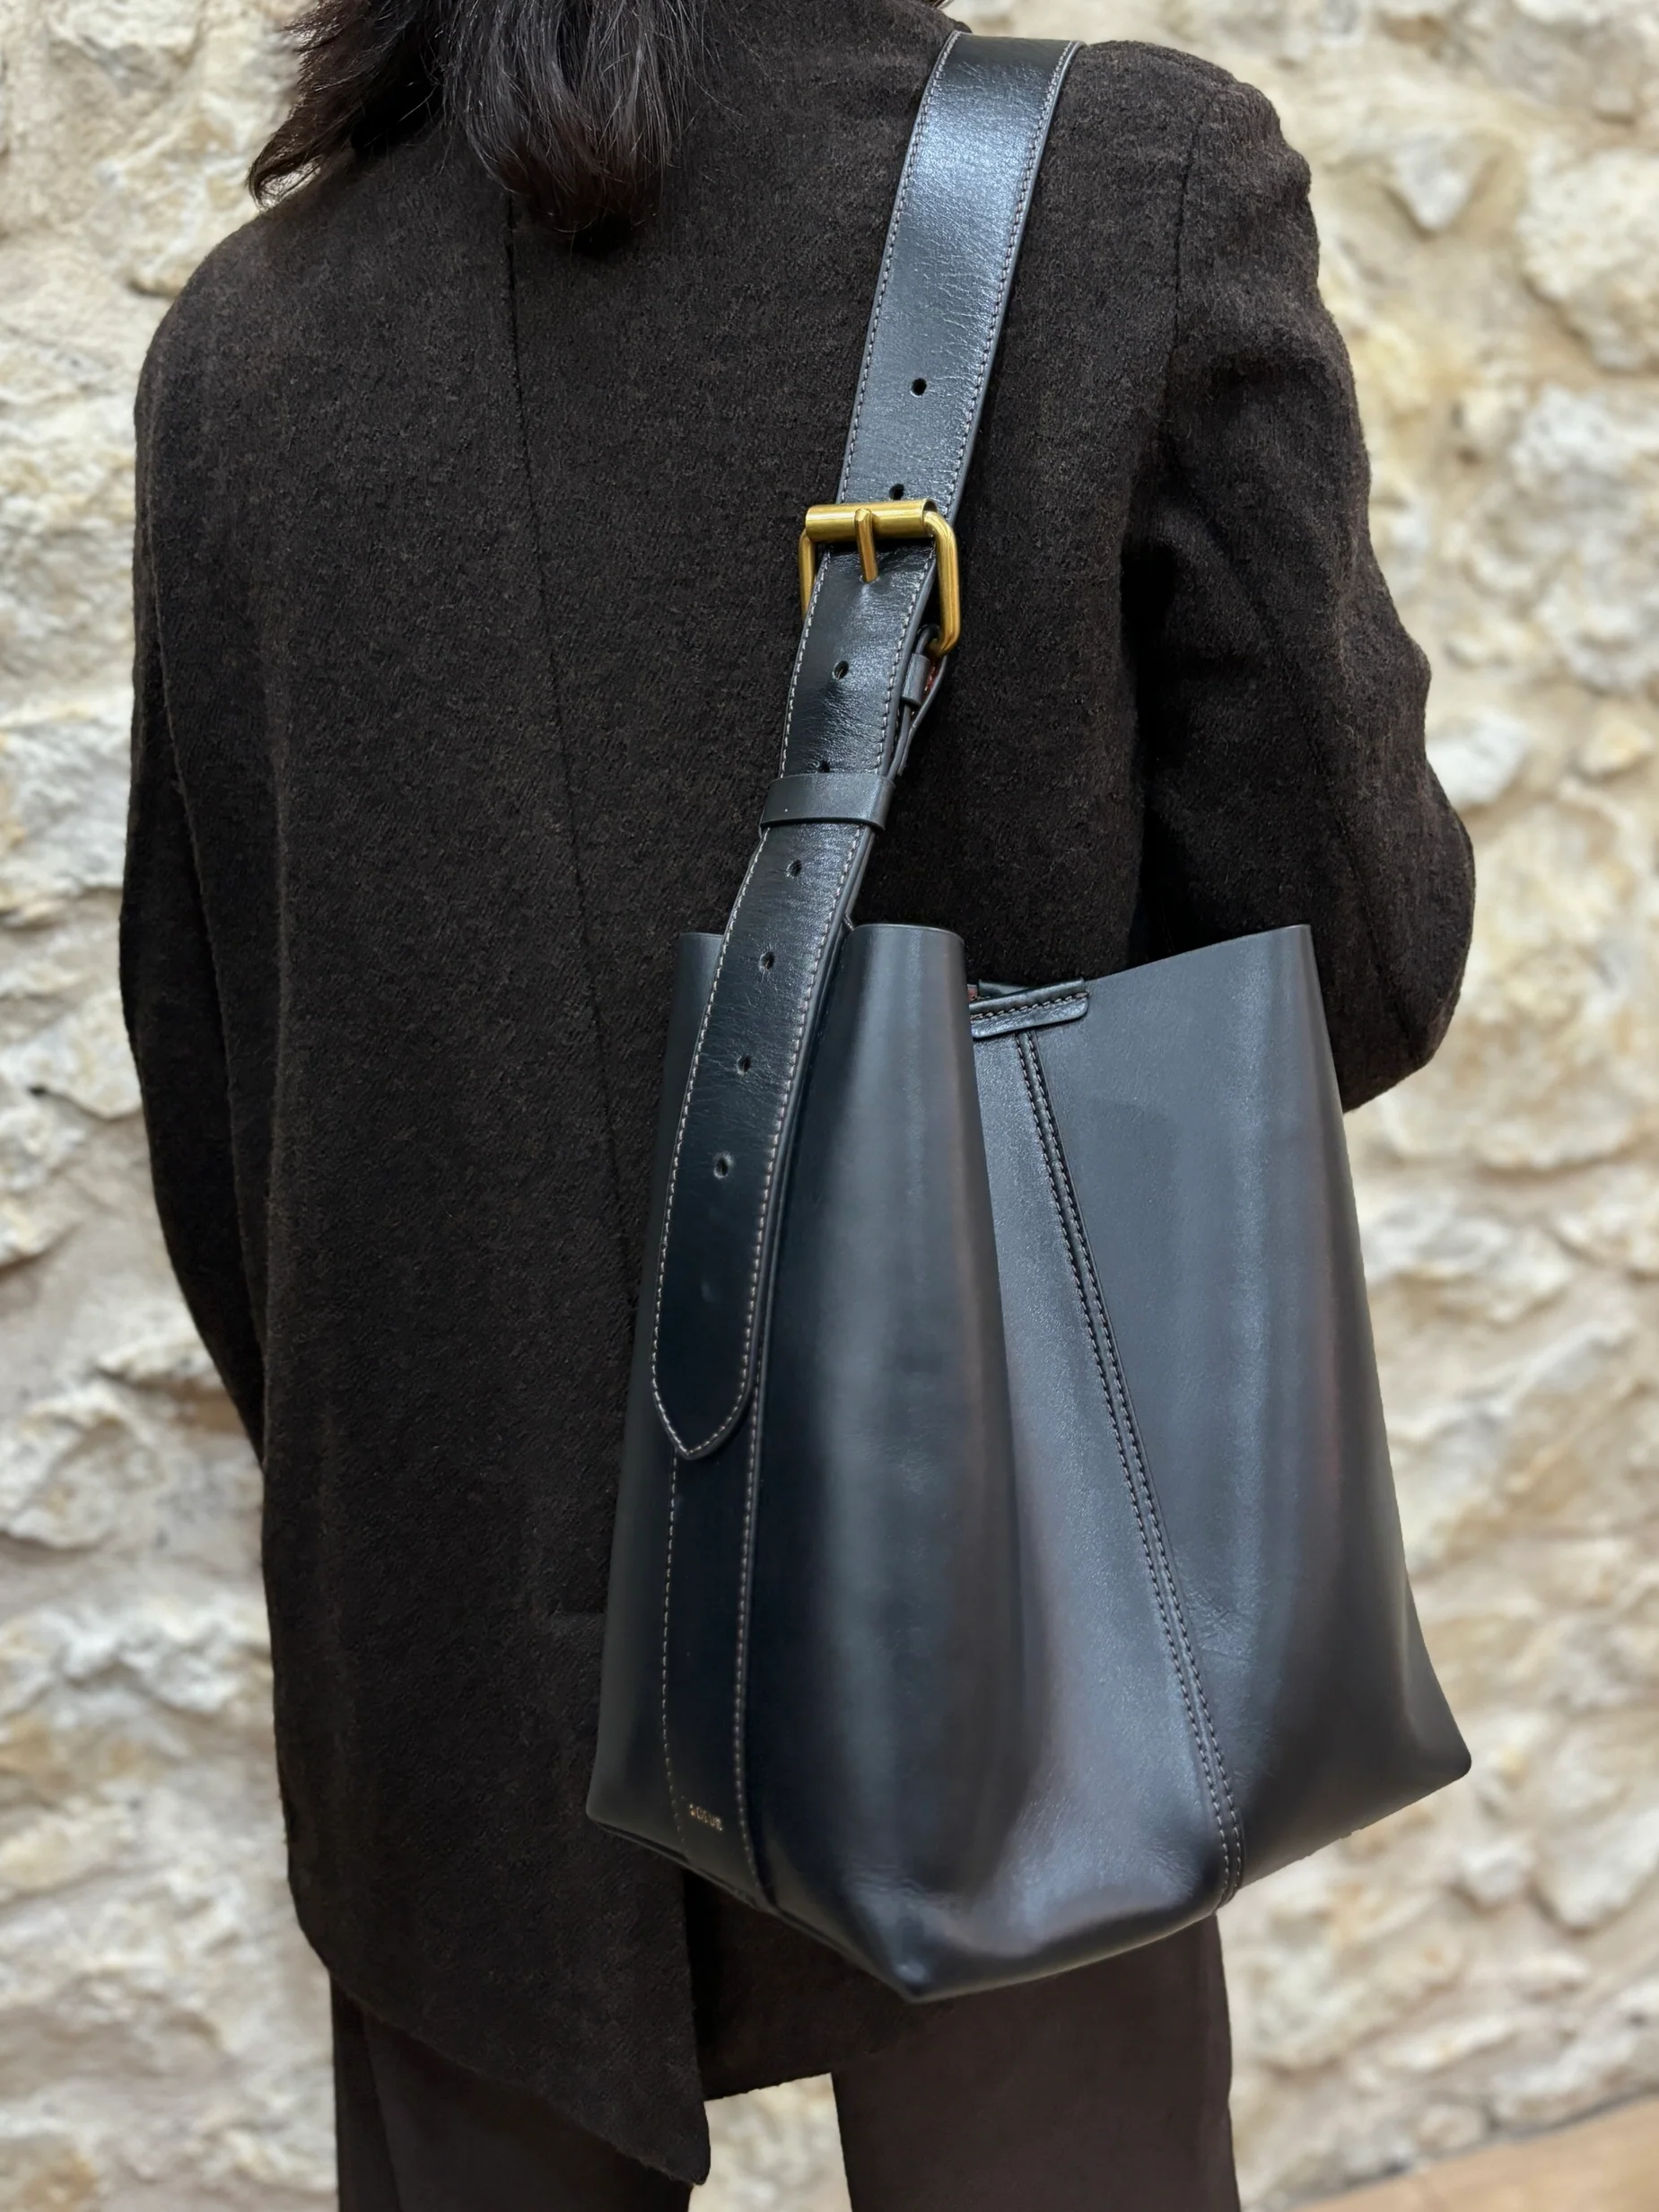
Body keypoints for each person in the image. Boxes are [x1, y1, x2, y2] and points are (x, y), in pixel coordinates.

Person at [120, 0, 1475, 2199]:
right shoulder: (1127, 189)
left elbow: (213, 1096)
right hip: (996, 1581)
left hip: (448, 1638)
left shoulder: (238, 349)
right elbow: (1358, 961)